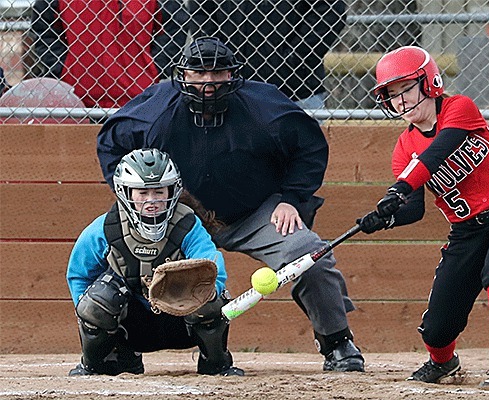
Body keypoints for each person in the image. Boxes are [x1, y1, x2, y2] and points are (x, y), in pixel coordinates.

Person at [96, 36, 364, 373]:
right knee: (126, 261)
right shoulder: (158, 110)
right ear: (182, 75)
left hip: (254, 214)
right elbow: (110, 141)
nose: (208, 82)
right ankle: (119, 347)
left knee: (310, 255)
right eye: (198, 73)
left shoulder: (261, 106)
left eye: (218, 72)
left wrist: (291, 198)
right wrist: (133, 198)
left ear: (232, 75)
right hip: (179, 218)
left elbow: (309, 146)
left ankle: (337, 342)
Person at [356, 46, 489, 388]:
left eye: (405, 89)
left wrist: (400, 186)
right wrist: (385, 217)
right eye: (391, 95)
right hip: (465, 231)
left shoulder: (458, 108)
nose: (399, 101)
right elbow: (414, 208)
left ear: (429, 82)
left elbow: (441, 149)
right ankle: (444, 363)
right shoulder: (403, 146)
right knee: (437, 327)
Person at [66, 148, 244, 376]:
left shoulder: (187, 224)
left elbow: (212, 268)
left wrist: (208, 293)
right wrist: (88, 315)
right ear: (126, 193)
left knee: (208, 294)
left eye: (159, 192)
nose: (151, 201)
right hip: (131, 327)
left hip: (181, 321)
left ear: (172, 190)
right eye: (142, 193)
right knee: (98, 299)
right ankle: (103, 364)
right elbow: (78, 274)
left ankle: (216, 364)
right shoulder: (106, 227)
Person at [187, 1, 347, 109]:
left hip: (296, 90)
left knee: (304, 155)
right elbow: (201, 13)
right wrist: (219, 60)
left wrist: (295, 57)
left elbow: (330, 11)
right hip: (232, 90)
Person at [29, 0, 187, 109]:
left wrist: (153, 68)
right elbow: (44, 28)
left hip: (138, 100)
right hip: (78, 100)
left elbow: (176, 24)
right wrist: (64, 68)